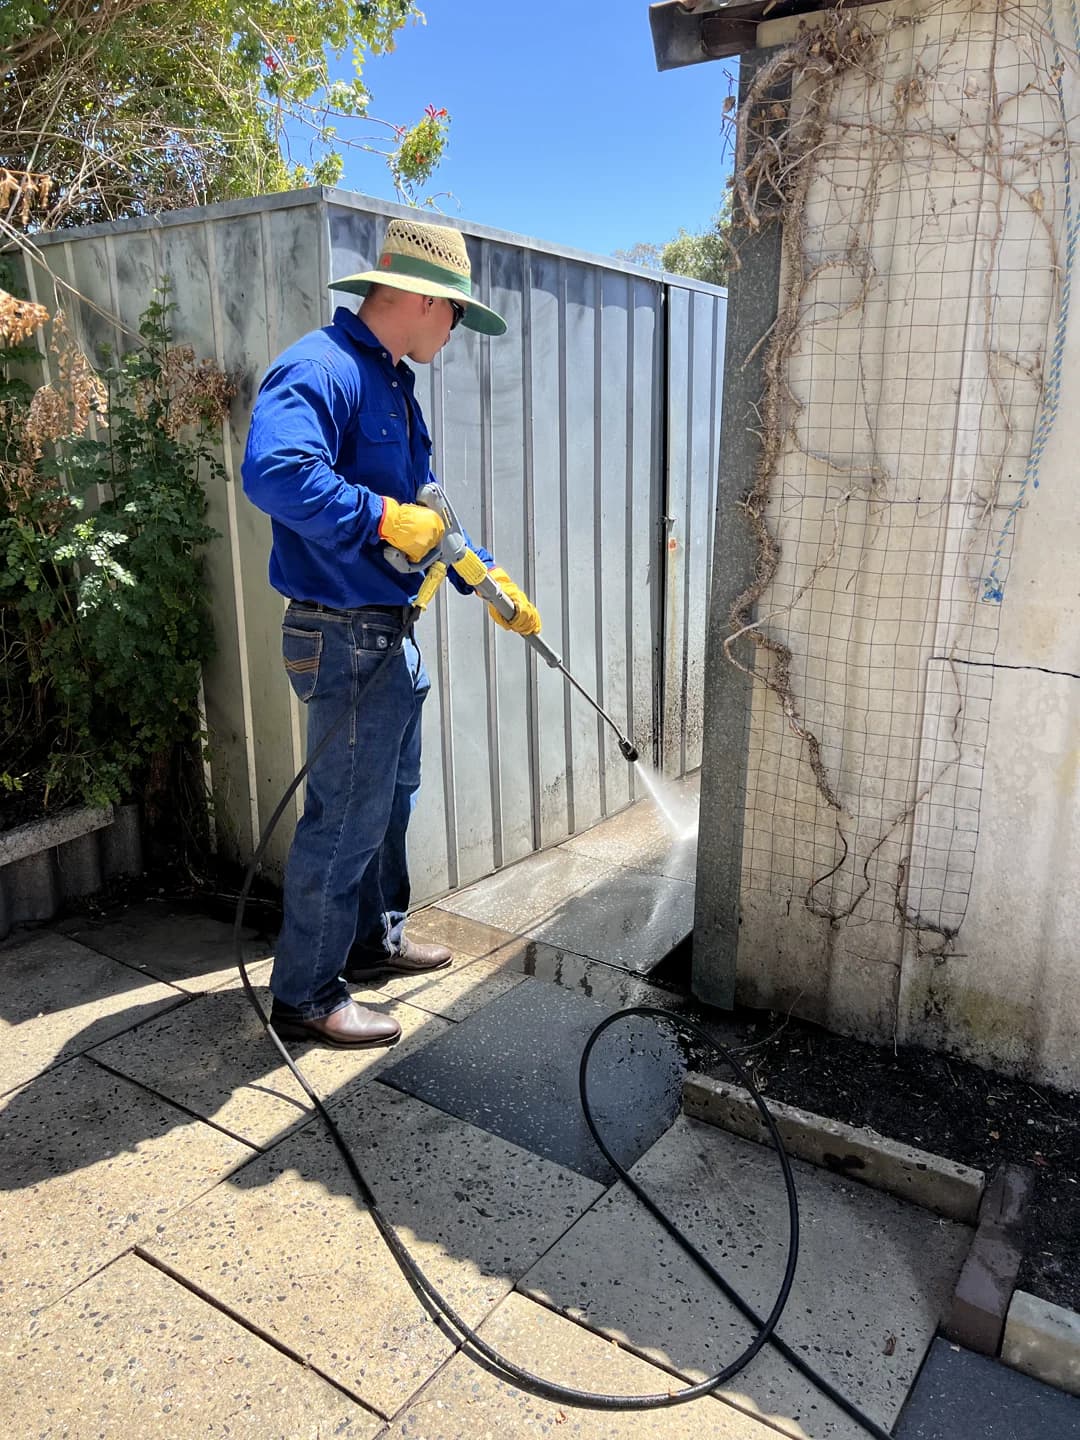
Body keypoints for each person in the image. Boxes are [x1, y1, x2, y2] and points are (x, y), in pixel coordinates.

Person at [242, 219, 541, 1048]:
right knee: (343, 818)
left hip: (386, 635)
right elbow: (275, 472)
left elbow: (425, 512)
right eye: (454, 315)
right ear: (418, 298)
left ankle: (374, 939)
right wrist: (379, 517)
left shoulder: (392, 383)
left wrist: (481, 573)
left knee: (388, 801)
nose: (456, 332)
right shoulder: (321, 369)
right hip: (343, 637)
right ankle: (306, 995)